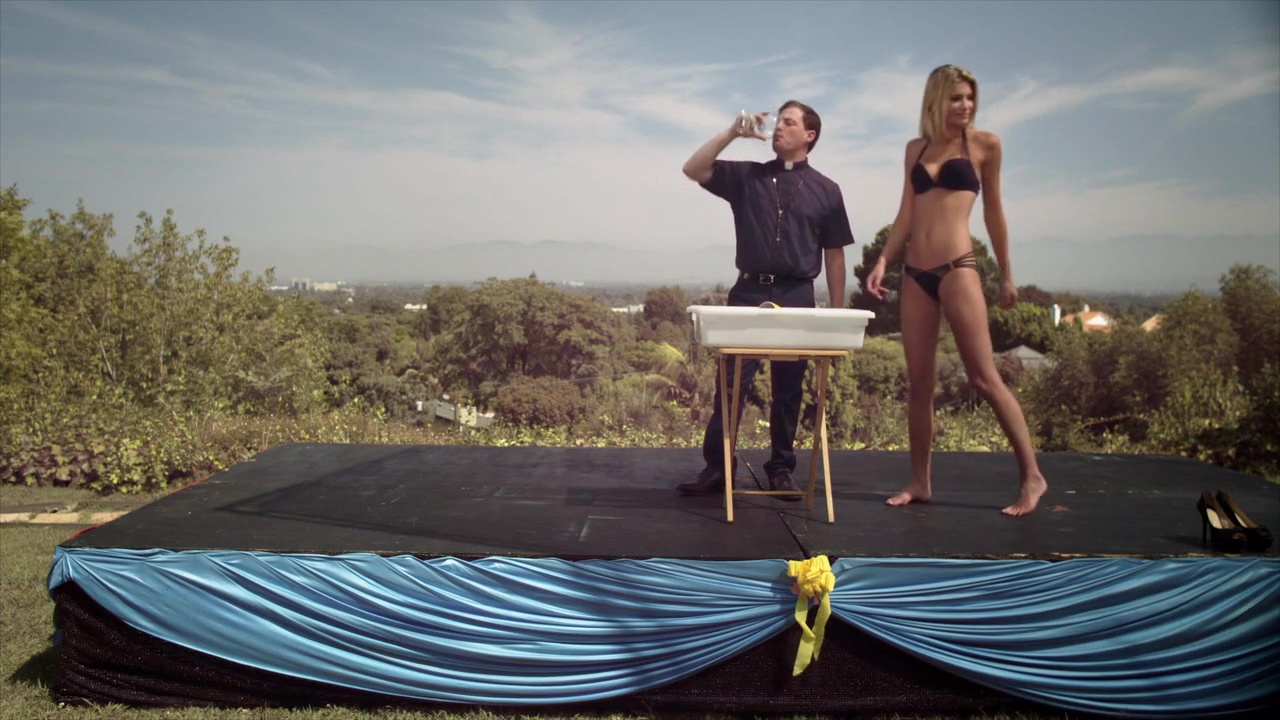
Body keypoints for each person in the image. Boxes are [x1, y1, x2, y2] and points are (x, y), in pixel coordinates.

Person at [866, 64, 1048, 516]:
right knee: (919, 384)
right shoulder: (916, 149)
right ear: (936, 100)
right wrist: (884, 259)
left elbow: (994, 213)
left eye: (970, 97)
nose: (966, 105)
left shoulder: (985, 145)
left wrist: (1006, 273)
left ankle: (1033, 477)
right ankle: (920, 481)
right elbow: (907, 213)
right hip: (915, 274)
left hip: (958, 268)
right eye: (956, 98)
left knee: (984, 378)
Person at [676, 100, 856, 499]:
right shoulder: (748, 177)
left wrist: (837, 316)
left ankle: (781, 469)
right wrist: (731, 133)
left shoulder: (827, 191)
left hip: (797, 294)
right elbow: (693, 169)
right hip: (749, 291)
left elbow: (835, 255)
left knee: (788, 389)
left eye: (789, 123)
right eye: (778, 121)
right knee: (730, 384)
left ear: (809, 135)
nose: (778, 128)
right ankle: (718, 467)